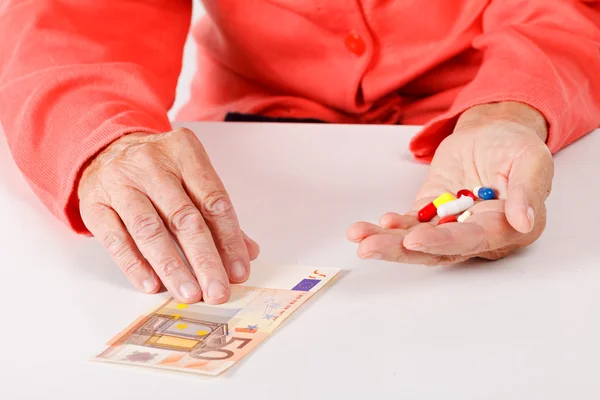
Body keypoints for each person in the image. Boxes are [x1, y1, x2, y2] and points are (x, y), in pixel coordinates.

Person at [1, 1, 599, 305]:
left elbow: (565, 12)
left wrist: (509, 110)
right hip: (252, 135)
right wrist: (105, 140)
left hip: (502, 113)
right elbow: (74, 20)